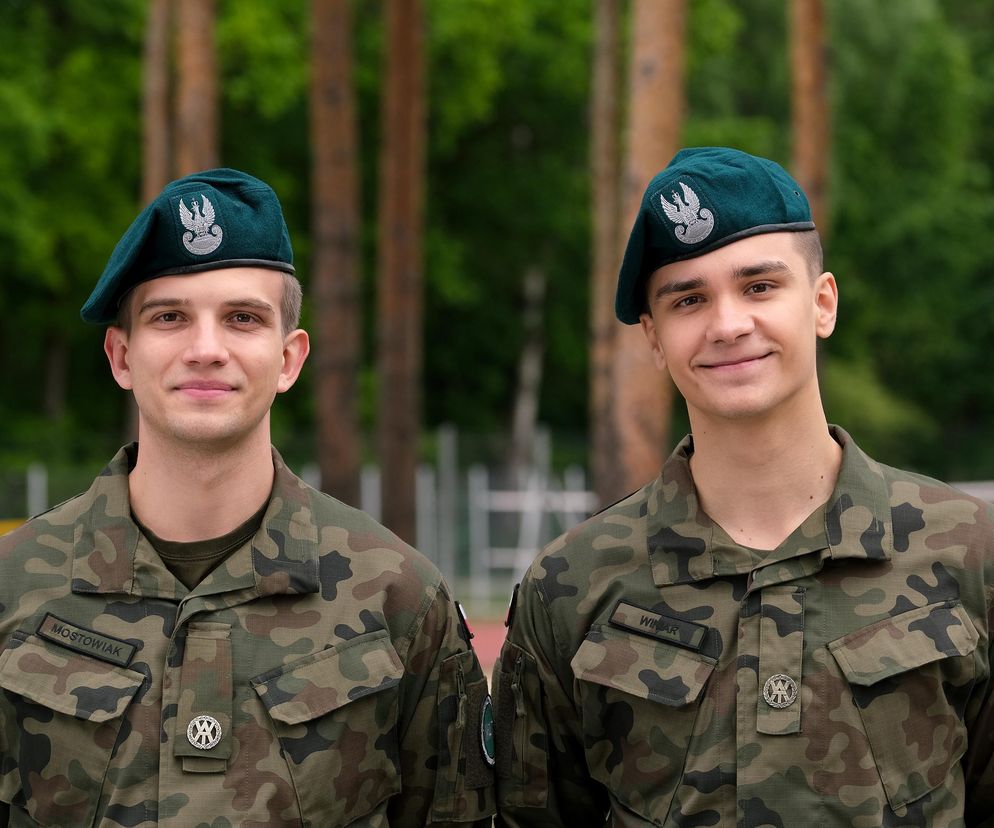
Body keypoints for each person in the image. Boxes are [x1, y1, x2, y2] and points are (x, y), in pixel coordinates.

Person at [493, 147, 994, 826]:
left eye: (759, 286)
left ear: (822, 303)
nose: (728, 325)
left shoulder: (970, 555)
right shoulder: (572, 588)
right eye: (689, 299)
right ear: (654, 337)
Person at [0, 168, 495, 827]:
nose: (206, 350)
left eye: (242, 318)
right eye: (170, 317)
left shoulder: (397, 598)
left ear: (289, 358)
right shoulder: (15, 590)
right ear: (121, 355)